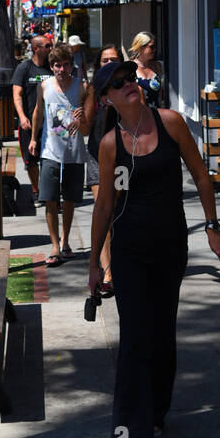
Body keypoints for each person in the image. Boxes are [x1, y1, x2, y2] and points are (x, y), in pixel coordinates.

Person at [88, 59, 220, 438]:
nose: (129, 84)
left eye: (130, 78)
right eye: (118, 83)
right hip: (129, 251)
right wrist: (96, 261)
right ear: (108, 99)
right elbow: (104, 205)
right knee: (134, 339)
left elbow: (201, 175)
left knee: (162, 335)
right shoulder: (111, 144)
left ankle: (156, 411)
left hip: (170, 247)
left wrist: (213, 226)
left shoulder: (171, 123)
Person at [30, 42, 87, 266]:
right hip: (49, 151)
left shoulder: (81, 87)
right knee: (50, 199)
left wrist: (82, 117)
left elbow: (88, 120)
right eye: (57, 65)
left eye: (65, 65)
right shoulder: (44, 86)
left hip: (74, 152)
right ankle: (55, 246)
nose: (62, 70)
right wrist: (34, 138)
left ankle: (66, 241)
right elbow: (37, 112)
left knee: (70, 199)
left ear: (71, 66)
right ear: (51, 67)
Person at [79, 43, 123, 295]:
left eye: (114, 60)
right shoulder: (92, 90)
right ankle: (108, 271)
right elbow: (85, 129)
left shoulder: (129, 88)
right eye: (104, 60)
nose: (109, 64)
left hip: (123, 158)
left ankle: (121, 264)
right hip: (97, 156)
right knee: (103, 212)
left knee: (119, 214)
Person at [12, 35, 52, 200]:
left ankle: (49, 192)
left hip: (51, 124)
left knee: (49, 161)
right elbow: (17, 95)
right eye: (47, 46)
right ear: (36, 48)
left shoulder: (52, 67)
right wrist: (22, 117)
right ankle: (36, 192)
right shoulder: (24, 68)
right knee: (31, 161)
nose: (51, 48)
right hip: (29, 124)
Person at [129, 31, 162, 108]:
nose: (154, 50)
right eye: (151, 47)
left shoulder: (158, 66)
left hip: (157, 113)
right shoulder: (130, 67)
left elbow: (161, 94)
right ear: (141, 47)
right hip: (138, 114)